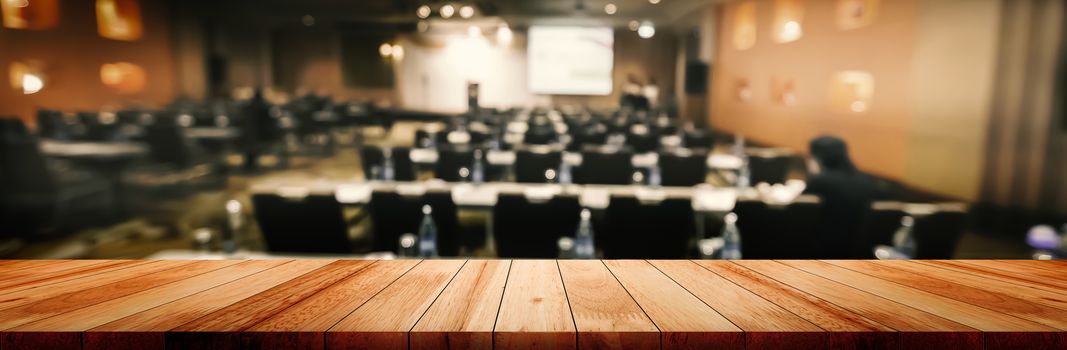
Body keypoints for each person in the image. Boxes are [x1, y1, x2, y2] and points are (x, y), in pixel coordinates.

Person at [803, 135, 884, 258]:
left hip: (825, 251)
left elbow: (803, 214)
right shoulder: (868, 182)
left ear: (816, 158)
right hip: (862, 252)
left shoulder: (821, 182)